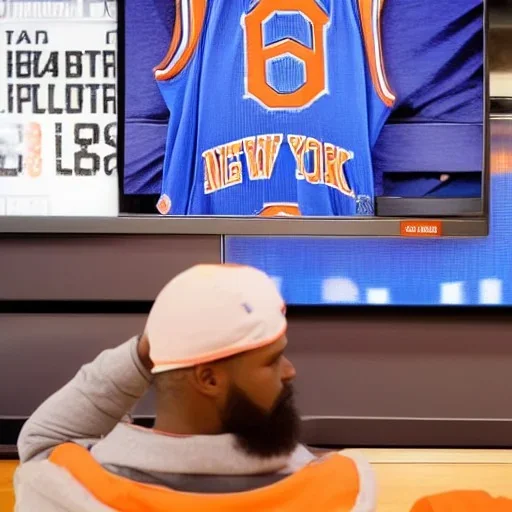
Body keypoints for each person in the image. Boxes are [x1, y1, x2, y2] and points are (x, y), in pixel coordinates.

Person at [14, 264, 376, 511]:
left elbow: (42, 441)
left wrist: (146, 352)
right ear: (208, 379)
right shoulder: (347, 491)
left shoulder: (57, 490)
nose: (289, 370)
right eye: (272, 360)